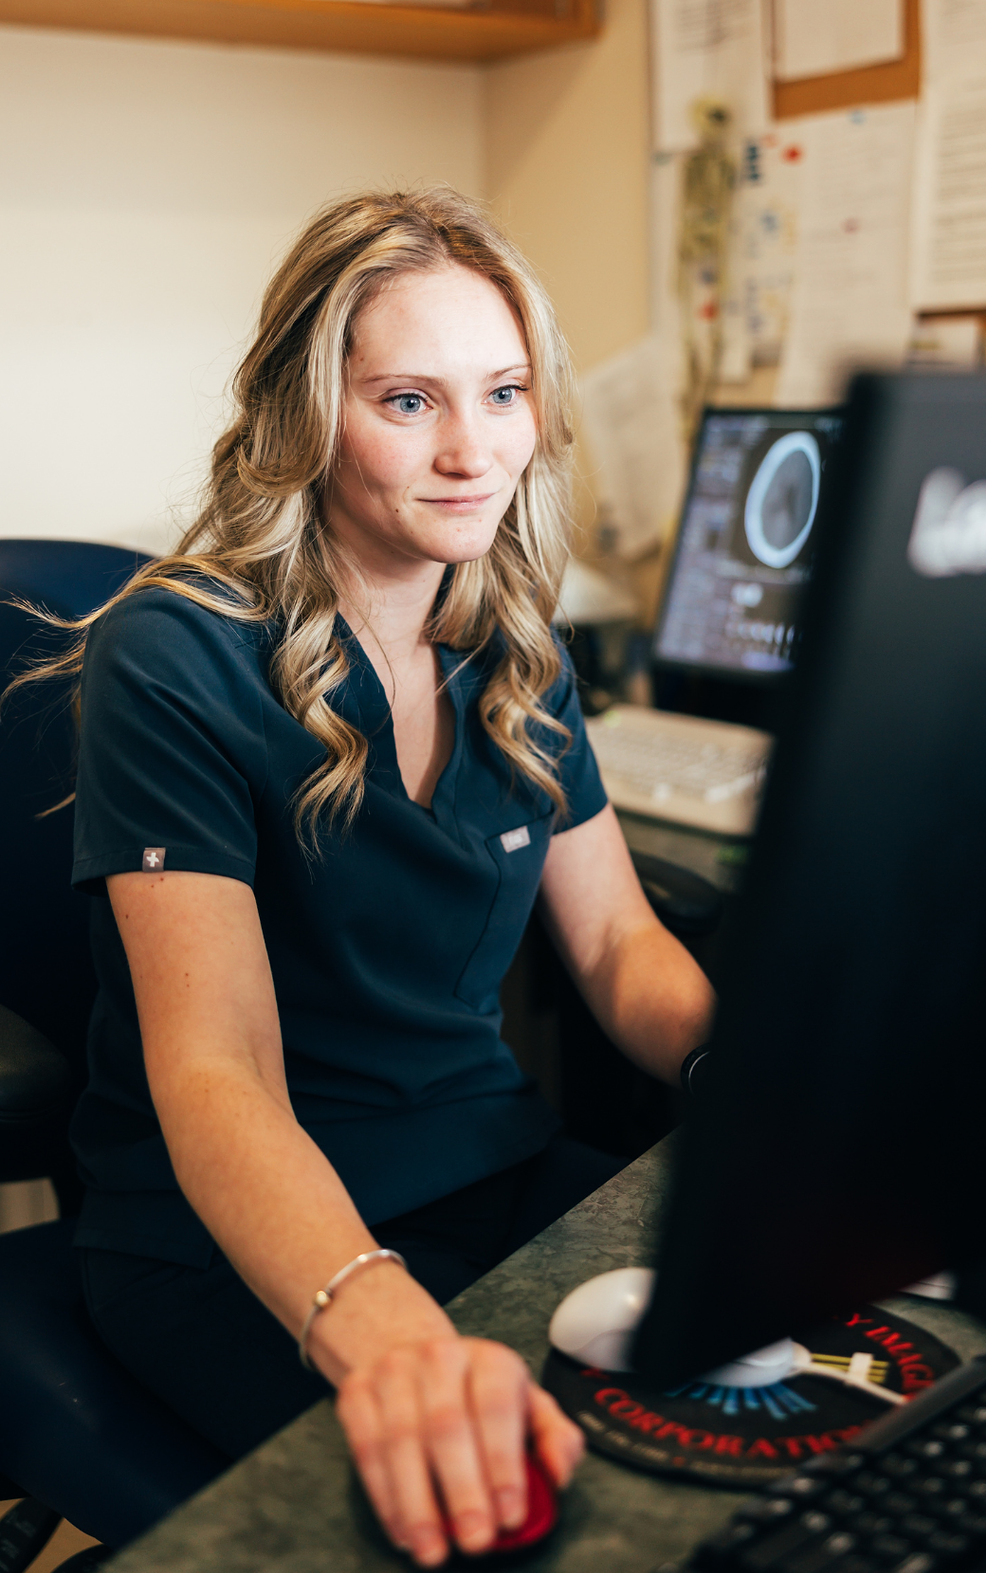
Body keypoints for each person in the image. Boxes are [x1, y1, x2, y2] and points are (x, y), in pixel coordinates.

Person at [27, 189, 714, 1567]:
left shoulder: (513, 645)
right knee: (534, 1527)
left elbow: (624, 952)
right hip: (231, 1235)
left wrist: (754, 1072)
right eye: (410, 401)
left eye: (506, 391)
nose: (475, 452)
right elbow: (215, 1070)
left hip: (492, 1172)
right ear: (309, 414)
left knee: (780, 1413)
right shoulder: (175, 655)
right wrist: (380, 1323)